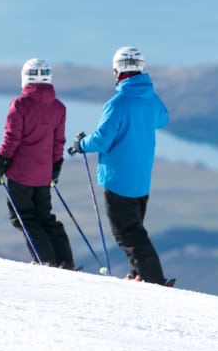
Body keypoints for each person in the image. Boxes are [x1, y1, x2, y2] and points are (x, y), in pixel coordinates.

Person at [67, 46, 171, 285]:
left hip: (118, 178)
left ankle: (151, 278)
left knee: (126, 233)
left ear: (117, 70)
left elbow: (102, 140)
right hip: (142, 178)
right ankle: (138, 274)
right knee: (134, 228)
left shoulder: (118, 103)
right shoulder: (151, 99)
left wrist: (80, 144)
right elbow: (163, 119)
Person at [0, 58, 75, 269]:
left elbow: (12, 138)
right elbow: (59, 142)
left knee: (24, 217)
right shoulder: (59, 107)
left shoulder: (20, 104)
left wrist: (0, 164)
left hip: (20, 172)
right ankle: (65, 259)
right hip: (44, 172)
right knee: (45, 216)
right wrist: (56, 168)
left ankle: (45, 260)